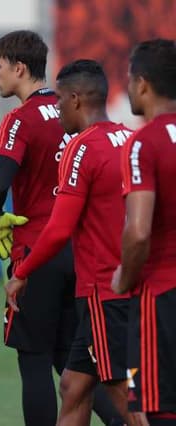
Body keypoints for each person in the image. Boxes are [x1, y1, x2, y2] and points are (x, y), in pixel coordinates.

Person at [0, 30, 122, 426]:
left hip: (37, 250)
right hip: (81, 256)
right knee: (74, 361)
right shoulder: (77, 119)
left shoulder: (20, 119)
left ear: (19, 68)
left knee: (35, 359)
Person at [112, 38, 176, 426]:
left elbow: (138, 232)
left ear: (143, 84)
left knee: (154, 409)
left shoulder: (144, 142)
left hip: (161, 294)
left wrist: (125, 276)